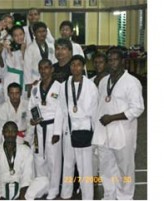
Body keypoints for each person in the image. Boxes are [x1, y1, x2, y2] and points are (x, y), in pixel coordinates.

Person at [92, 48, 144, 200]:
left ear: (122, 61)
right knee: (106, 168)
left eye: (115, 59)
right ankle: (109, 195)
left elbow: (137, 108)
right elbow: (100, 106)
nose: (112, 63)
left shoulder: (132, 82)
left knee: (125, 169)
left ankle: (125, 196)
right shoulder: (103, 82)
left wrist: (112, 118)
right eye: (110, 60)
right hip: (104, 133)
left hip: (122, 132)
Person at [54, 55, 98, 200]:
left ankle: (88, 196)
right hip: (68, 130)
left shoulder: (90, 86)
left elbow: (95, 112)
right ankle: (66, 194)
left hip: (85, 130)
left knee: (85, 168)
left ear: (83, 66)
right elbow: (60, 110)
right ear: (70, 67)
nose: (75, 68)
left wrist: (96, 136)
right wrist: (57, 132)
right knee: (67, 165)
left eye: (79, 65)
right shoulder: (64, 85)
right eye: (73, 65)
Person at [0, 121, 49, 200]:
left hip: (21, 187)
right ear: (3, 132)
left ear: (17, 133)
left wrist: (22, 196)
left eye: (13, 131)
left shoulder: (25, 150)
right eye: (7, 131)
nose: (10, 134)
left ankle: (24, 198)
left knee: (45, 181)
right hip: (1, 188)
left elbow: (27, 175)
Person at [28, 58, 62, 199]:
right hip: (39, 128)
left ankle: (54, 188)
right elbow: (31, 106)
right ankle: (42, 186)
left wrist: (57, 132)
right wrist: (32, 119)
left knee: (53, 160)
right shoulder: (35, 88)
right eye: (41, 68)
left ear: (52, 69)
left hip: (53, 126)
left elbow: (61, 111)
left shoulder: (59, 87)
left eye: (46, 68)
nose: (43, 71)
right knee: (39, 159)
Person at [24, 22, 56, 97]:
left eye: (44, 31)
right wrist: (29, 85)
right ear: (34, 34)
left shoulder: (51, 46)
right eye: (39, 32)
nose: (42, 34)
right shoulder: (30, 48)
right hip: (35, 79)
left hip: (50, 78)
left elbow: (54, 62)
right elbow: (27, 68)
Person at [3, 25, 27, 99]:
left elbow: (27, 66)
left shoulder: (29, 48)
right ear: (12, 37)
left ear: (24, 34)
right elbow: (11, 64)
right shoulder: (8, 48)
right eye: (16, 35)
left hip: (25, 78)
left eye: (21, 34)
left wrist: (23, 52)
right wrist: (9, 51)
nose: (19, 37)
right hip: (11, 78)